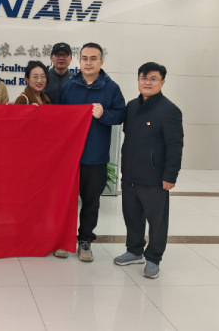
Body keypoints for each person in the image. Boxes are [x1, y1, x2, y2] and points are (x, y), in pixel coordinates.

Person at [114, 62, 183, 279]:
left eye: (153, 78)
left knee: (156, 220)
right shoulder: (132, 106)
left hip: (154, 177)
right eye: (143, 78)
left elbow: (175, 145)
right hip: (130, 174)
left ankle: (153, 258)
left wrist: (170, 175)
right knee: (132, 216)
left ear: (162, 82)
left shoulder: (169, 110)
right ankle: (134, 251)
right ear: (138, 80)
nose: (147, 82)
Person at [57, 43, 126, 262]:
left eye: (93, 58)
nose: (88, 62)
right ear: (79, 61)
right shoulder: (68, 87)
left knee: (90, 202)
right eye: (85, 58)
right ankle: (63, 240)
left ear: (101, 62)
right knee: (65, 202)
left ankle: (85, 240)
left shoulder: (111, 88)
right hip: (70, 158)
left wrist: (104, 114)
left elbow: (121, 115)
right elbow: (57, 119)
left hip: (95, 157)